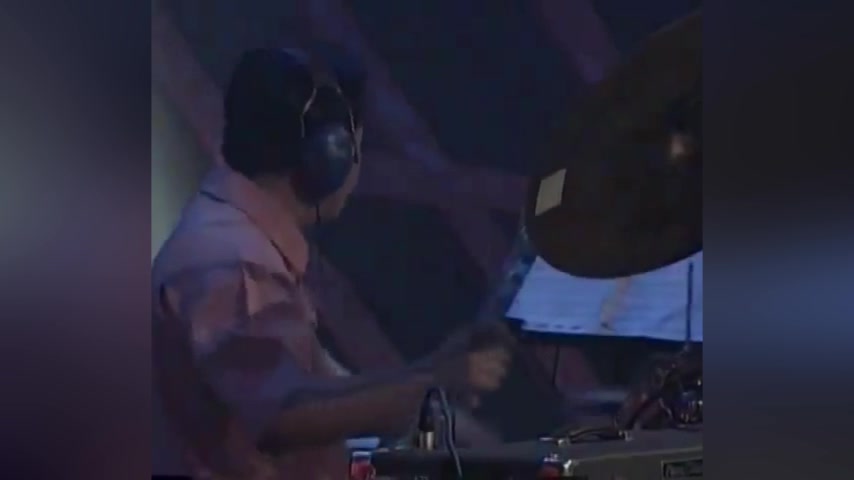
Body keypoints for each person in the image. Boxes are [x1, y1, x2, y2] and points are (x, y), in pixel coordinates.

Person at [151, 47, 512, 480]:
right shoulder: (231, 259)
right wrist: (434, 383)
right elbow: (283, 416)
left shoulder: (237, 239)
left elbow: (318, 391)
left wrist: (432, 373)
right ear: (329, 158)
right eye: (357, 147)